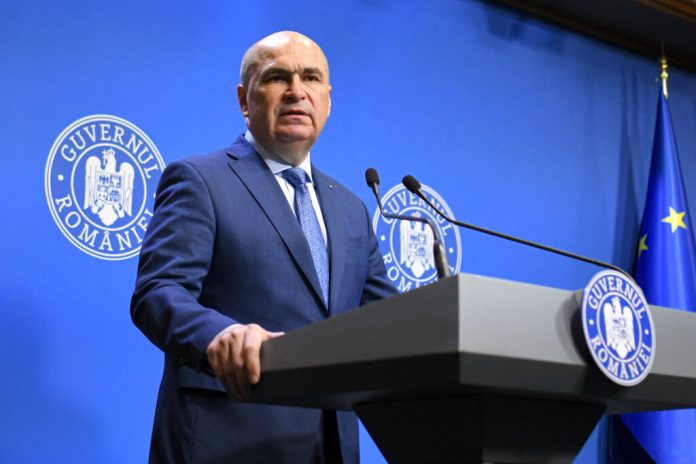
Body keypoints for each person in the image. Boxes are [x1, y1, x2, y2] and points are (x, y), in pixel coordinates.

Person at [130, 31, 397, 463]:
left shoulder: (351, 209)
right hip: (227, 439)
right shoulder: (201, 180)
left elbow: (390, 324)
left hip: (330, 447)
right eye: (277, 77)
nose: (296, 91)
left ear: (328, 100)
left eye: (311, 78)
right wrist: (218, 335)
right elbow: (158, 292)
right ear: (244, 99)